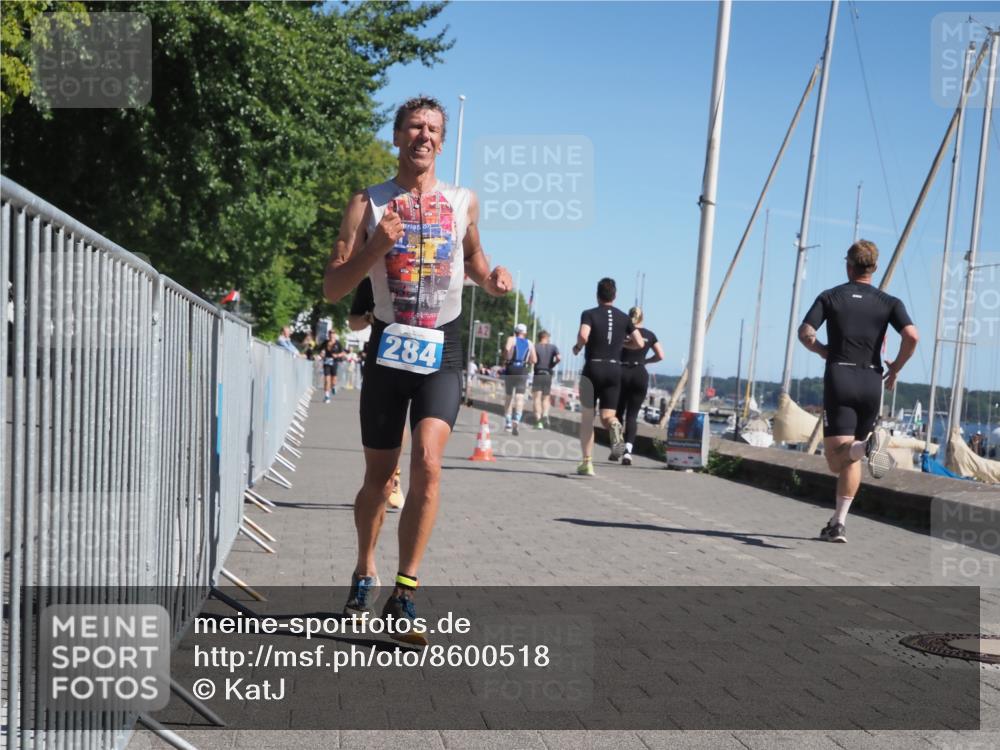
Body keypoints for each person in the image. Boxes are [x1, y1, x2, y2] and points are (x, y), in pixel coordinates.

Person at [323, 95, 512, 643]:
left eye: (432, 129)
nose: (422, 136)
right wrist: (375, 248)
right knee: (379, 481)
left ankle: (404, 591)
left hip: (443, 349)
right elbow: (335, 287)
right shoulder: (368, 204)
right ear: (397, 135)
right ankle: (364, 570)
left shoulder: (463, 201)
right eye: (413, 127)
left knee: (429, 462)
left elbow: (474, 259)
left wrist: (492, 278)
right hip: (387, 347)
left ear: (442, 141)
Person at [798, 240, 919, 544]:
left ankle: (866, 449)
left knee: (837, 460)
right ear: (874, 268)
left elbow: (805, 333)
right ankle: (838, 524)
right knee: (851, 457)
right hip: (871, 380)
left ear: (848, 265)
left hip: (840, 376)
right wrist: (897, 368)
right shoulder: (889, 302)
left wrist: (823, 351)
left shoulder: (830, 297)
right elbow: (912, 336)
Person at [572, 278, 643, 476]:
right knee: (607, 416)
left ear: (597, 295)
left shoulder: (589, 314)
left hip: (592, 368)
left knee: (588, 418)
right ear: (615, 295)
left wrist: (578, 347)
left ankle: (587, 463)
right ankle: (614, 424)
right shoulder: (624, 318)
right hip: (614, 370)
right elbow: (639, 342)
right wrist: (622, 344)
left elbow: (584, 336)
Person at [348, 277, 405, 511]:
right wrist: (369, 318)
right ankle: (382, 476)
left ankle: (395, 476)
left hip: (418, 358)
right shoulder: (371, 280)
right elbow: (353, 322)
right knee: (381, 426)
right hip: (382, 358)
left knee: (402, 419)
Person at [614, 307, 664, 466]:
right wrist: (647, 361)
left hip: (621, 371)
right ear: (643, 318)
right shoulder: (650, 335)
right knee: (632, 415)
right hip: (639, 373)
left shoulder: (621, 333)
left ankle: (617, 448)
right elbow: (661, 355)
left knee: (618, 413)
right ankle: (628, 451)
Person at [502, 323, 536, 435]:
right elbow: (534, 360)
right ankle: (516, 419)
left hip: (511, 368)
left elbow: (507, 349)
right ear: (525, 333)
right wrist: (527, 360)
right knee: (520, 396)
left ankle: (508, 422)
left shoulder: (511, 339)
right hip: (522, 370)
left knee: (508, 396)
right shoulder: (530, 343)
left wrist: (506, 358)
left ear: (515, 331)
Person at [531, 330, 561, 429]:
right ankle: (545, 415)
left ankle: (539, 421)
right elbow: (559, 358)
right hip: (548, 374)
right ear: (546, 337)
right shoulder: (553, 347)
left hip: (538, 373)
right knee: (546, 398)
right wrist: (552, 365)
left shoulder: (535, 346)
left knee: (536, 398)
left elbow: (532, 360)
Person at [321, 333, 346, 402]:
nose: (331, 336)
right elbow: (320, 350)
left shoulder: (338, 343)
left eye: (332, 334)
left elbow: (343, 353)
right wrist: (321, 353)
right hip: (327, 362)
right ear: (328, 335)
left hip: (335, 362)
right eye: (330, 334)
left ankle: (333, 386)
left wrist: (337, 355)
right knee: (326, 379)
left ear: (335, 335)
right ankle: (327, 396)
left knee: (333, 380)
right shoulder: (325, 342)